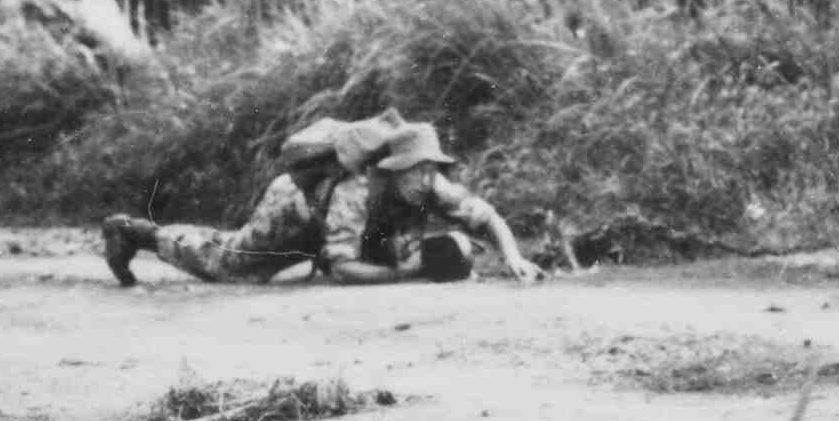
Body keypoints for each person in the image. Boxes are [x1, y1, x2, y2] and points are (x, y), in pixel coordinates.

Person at [99, 115, 396, 285]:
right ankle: (135, 232)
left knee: (230, 248)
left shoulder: (411, 170)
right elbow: (344, 263)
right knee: (228, 261)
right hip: (291, 202)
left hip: (309, 200)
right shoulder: (355, 187)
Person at [318, 122, 541, 284]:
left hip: (374, 240)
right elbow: (340, 268)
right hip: (302, 218)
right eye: (416, 172)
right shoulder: (355, 192)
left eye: (430, 170)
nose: (424, 182)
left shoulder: (433, 182)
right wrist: (401, 275)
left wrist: (514, 257)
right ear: (394, 171)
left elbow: (488, 217)